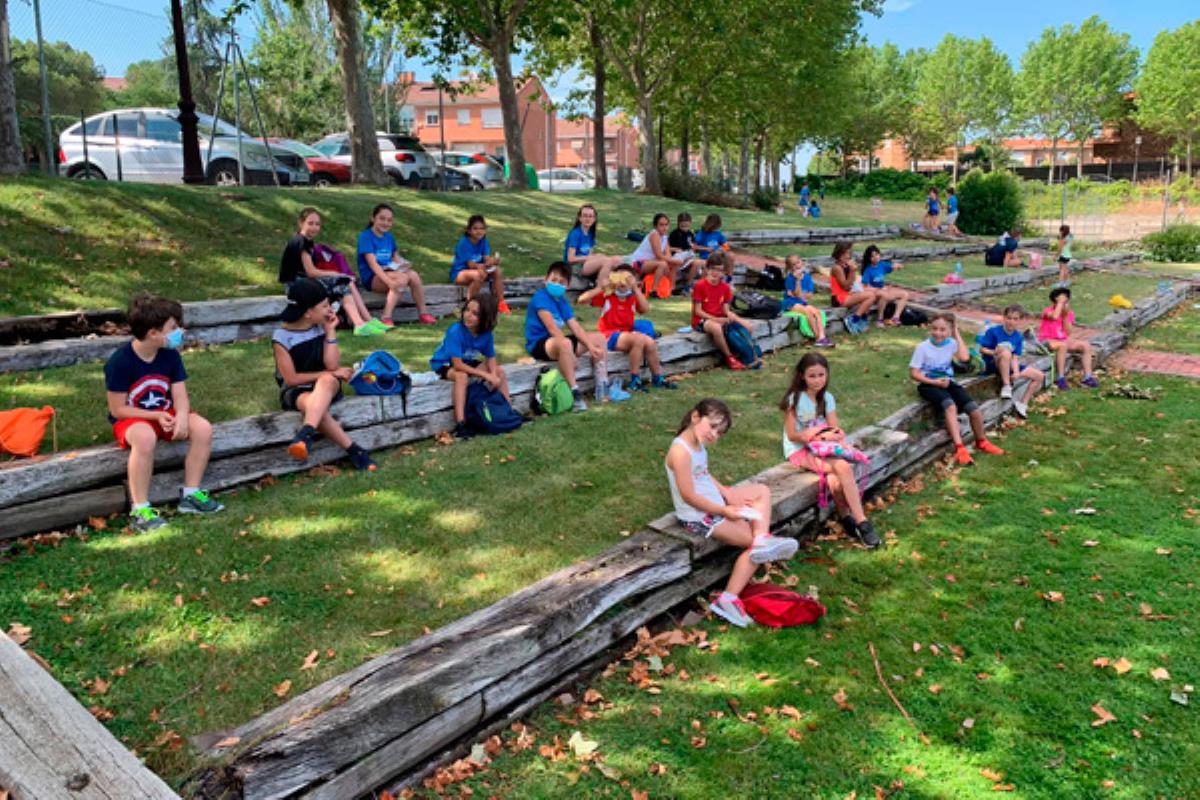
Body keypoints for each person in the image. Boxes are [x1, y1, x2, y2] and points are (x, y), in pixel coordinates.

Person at [666, 398, 798, 628]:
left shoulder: (697, 444)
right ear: (696, 417)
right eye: (713, 426)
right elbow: (688, 495)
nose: (714, 435)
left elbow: (703, 474)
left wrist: (726, 492)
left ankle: (762, 538)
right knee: (754, 548)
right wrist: (723, 509)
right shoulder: (680, 451)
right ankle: (727, 598)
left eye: (720, 432)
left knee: (762, 491)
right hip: (700, 516)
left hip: (716, 503)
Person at [104, 293, 224, 532]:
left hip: (165, 413)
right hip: (132, 419)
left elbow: (180, 395)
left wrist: (181, 416)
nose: (180, 330)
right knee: (145, 438)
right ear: (153, 334)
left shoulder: (170, 355)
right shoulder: (120, 362)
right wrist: (156, 416)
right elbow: (117, 409)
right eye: (173, 327)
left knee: (203, 428)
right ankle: (141, 509)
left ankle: (191, 494)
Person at [273, 278, 377, 471]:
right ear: (307, 313)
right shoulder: (282, 338)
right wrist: (329, 373)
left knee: (327, 380)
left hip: (327, 385)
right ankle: (355, 450)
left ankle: (306, 433)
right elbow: (291, 379)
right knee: (315, 406)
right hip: (297, 389)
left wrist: (330, 332)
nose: (330, 309)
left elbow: (331, 365)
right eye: (324, 305)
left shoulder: (321, 326)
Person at [780, 352, 879, 548]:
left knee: (836, 476)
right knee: (842, 467)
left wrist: (833, 435)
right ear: (802, 376)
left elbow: (834, 429)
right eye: (812, 376)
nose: (817, 381)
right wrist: (813, 434)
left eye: (821, 375)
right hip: (800, 450)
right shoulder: (795, 399)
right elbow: (792, 435)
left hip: (823, 448)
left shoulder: (827, 398)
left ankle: (845, 516)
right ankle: (862, 522)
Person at [909, 312, 1006, 466]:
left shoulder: (951, 343)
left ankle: (981, 441)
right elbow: (914, 373)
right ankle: (960, 448)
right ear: (929, 329)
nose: (938, 333)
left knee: (974, 409)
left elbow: (964, 358)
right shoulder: (922, 348)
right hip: (928, 384)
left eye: (943, 330)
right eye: (935, 329)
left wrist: (956, 333)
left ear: (949, 331)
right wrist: (934, 382)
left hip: (948, 382)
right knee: (950, 405)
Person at [280, 207, 382, 337]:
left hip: (304, 282)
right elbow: (311, 272)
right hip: (296, 285)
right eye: (310, 223)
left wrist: (338, 276)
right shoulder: (300, 241)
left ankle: (365, 321)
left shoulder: (307, 241)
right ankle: (361, 323)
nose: (314, 227)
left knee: (346, 282)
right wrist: (335, 274)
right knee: (343, 281)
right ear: (301, 223)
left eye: (317, 224)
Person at [525, 261, 610, 411]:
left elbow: (575, 326)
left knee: (599, 339)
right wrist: (570, 354)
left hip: (558, 342)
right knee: (565, 344)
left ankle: (602, 385)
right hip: (539, 344)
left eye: (561, 282)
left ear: (568, 285)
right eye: (554, 280)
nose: (557, 284)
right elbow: (552, 329)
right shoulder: (540, 297)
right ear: (546, 280)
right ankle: (575, 393)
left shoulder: (562, 301)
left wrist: (590, 347)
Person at [578, 265, 674, 393]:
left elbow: (645, 309)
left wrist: (635, 288)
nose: (623, 282)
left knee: (650, 342)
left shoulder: (632, 298)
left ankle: (657, 378)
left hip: (627, 334)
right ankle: (634, 380)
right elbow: (582, 299)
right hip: (609, 335)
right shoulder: (608, 296)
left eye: (627, 278)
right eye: (620, 277)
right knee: (639, 339)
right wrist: (603, 287)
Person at [432, 294, 512, 440]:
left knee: (500, 371)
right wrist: (486, 376)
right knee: (461, 376)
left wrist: (493, 375)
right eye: (467, 310)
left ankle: (508, 412)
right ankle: (461, 424)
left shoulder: (486, 334)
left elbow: (491, 358)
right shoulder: (455, 331)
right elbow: (457, 365)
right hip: (445, 363)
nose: (468, 315)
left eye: (475, 314)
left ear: (485, 318)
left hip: (467, 362)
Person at [356, 203, 436, 327]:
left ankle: (423, 313)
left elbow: (395, 257)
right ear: (373, 218)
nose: (386, 223)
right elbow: (373, 265)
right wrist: (389, 282)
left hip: (390, 271)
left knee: (413, 275)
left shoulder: (389, 237)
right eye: (382, 219)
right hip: (373, 277)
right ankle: (386, 317)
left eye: (389, 220)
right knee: (402, 278)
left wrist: (403, 265)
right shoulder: (365, 237)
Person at [976, 305, 1045, 418]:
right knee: (1006, 353)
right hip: (992, 364)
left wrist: (1017, 372)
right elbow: (982, 349)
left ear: (1020, 321)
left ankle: (1022, 404)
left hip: (1009, 365)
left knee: (1039, 376)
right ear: (1004, 318)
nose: (1011, 321)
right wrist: (995, 352)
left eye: (1015, 319)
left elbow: (1015, 357)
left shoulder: (1018, 336)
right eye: (1009, 318)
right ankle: (1006, 385)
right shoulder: (993, 331)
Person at [693, 254, 753, 370]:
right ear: (707, 269)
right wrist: (716, 319)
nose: (716, 273)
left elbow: (726, 310)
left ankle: (740, 352)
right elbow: (698, 311)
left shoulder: (725, 287)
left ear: (724, 272)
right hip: (702, 319)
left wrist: (735, 318)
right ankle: (729, 357)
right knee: (716, 328)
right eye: (713, 269)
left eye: (720, 270)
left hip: (719, 316)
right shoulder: (700, 285)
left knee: (748, 326)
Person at [1039, 287, 1097, 390]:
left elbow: (1068, 332)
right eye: (1062, 302)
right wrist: (1060, 304)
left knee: (1085, 345)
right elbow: (1054, 317)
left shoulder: (1069, 314)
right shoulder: (1047, 311)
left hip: (1062, 340)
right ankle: (1060, 377)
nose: (1065, 304)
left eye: (1066, 302)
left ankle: (1088, 376)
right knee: (1063, 346)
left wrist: (1065, 316)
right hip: (1047, 340)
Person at [451, 214, 510, 313]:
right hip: (460, 273)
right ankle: (469, 306)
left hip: (478, 270)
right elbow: (471, 264)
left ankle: (501, 303)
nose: (479, 231)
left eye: (482, 228)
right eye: (475, 228)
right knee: (480, 274)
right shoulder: (464, 243)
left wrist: (493, 261)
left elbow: (486, 258)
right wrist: (484, 266)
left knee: (497, 271)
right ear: (469, 230)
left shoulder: (483, 241)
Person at [564, 203, 624, 286]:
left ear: (594, 219)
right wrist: (590, 257)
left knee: (618, 259)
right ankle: (600, 288)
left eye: (590, 216)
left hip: (585, 263)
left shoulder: (590, 234)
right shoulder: (575, 234)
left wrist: (595, 256)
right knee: (607, 261)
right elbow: (570, 259)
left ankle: (618, 285)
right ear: (580, 218)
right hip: (574, 267)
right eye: (585, 216)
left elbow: (590, 254)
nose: (587, 219)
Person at [627, 213, 683, 299]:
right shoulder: (654, 234)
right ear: (655, 226)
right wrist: (673, 261)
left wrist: (673, 262)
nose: (664, 227)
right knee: (662, 264)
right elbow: (659, 255)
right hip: (639, 262)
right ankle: (654, 290)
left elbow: (668, 254)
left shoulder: (665, 237)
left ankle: (671, 289)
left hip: (652, 263)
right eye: (661, 225)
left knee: (672, 264)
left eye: (666, 225)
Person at [782, 255, 833, 347]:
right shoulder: (790, 279)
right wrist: (797, 281)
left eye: (798, 262)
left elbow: (810, 295)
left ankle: (822, 337)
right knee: (807, 312)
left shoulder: (807, 277)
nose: (797, 266)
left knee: (817, 312)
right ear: (790, 268)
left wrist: (800, 295)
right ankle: (817, 338)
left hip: (802, 302)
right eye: (793, 265)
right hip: (790, 303)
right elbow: (797, 295)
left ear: (801, 262)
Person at [829, 242, 879, 334]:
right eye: (846, 253)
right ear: (840, 254)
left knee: (868, 298)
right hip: (839, 298)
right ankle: (853, 320)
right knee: (870, 296)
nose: (849, 256)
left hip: (846, 295)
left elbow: (850, 285)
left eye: (849, 253)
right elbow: (845, 285)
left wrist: (852, 271)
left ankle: (861, 321)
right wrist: (852, 271)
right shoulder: (837, 268)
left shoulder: (845, 266)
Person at [860, 245, 909, 328]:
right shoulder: (868, 270)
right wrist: (880, 289)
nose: (875, 257)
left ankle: (895, 318)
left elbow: (891, 266)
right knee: (884, 295)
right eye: (872, 256)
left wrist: (898, 266)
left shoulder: (882, 265)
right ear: (869, 258)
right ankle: (880, 320)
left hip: (884, 290)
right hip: (875, 293)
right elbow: (865, 287)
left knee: (905, 294)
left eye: (877, 254)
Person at [667, 212, 702, 289]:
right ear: (678, 224)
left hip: (688, 256)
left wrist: (694, 247)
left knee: (698, 263)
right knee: (677, 262)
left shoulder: (690, 234)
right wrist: (675, 249)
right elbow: (667, 247)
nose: (684, 228)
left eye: (687, 226)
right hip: (677, 257)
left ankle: (687, 285)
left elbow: (693, 245)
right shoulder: (674, 234)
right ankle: (672, 286)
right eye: (682, 226)